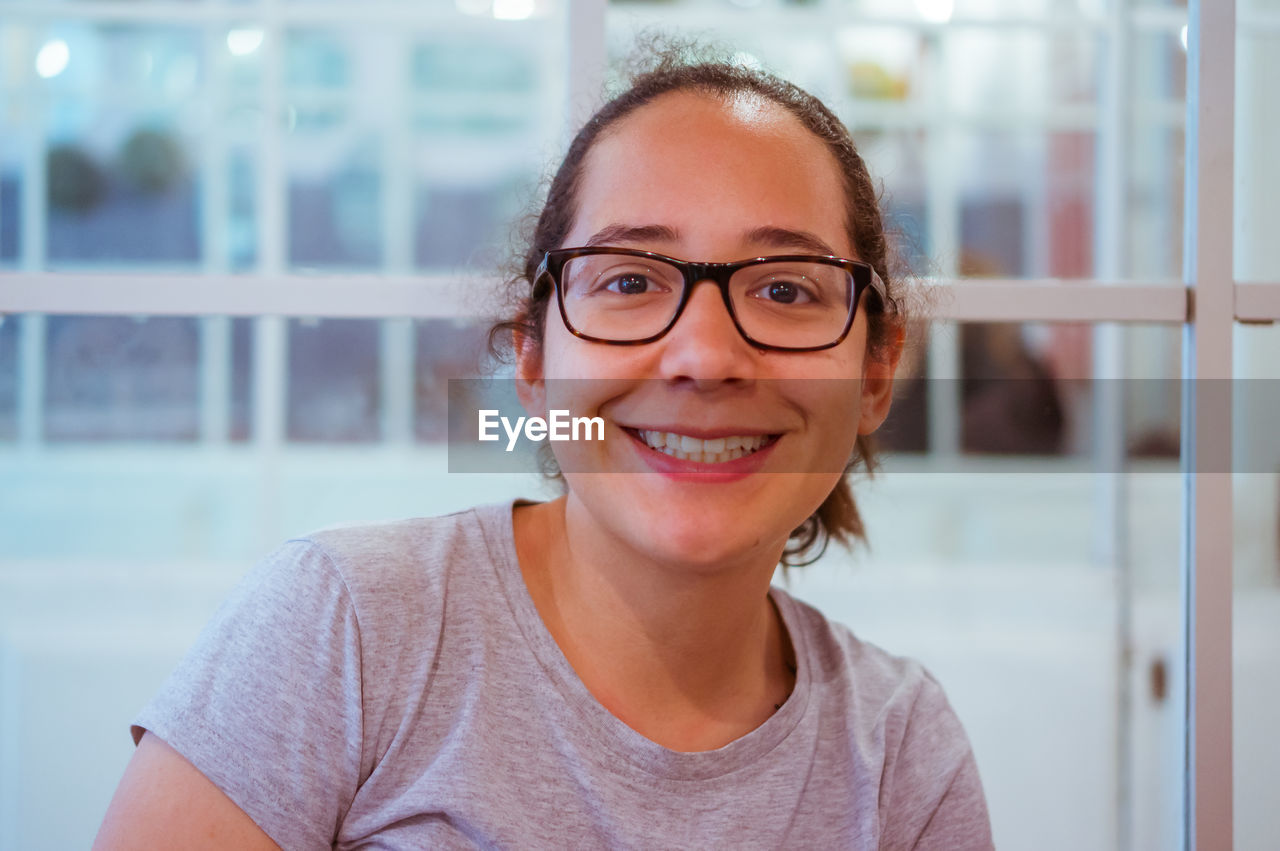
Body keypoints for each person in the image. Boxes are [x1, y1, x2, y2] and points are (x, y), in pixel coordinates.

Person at [95, 52, 993, 850]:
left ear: (877, 371)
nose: (706, 356)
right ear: (531, 356)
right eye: (632, 280)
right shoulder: (349, 627)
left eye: (787, 288)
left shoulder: (901, 750)